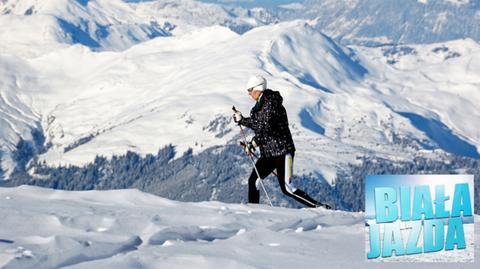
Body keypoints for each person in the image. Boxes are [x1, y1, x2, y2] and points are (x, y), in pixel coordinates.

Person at [233, 75, 331, 209]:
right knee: (253, 180)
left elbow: (266, 127)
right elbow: (260, 128)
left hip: (283, 152)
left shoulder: (272, 104)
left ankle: (319, 207)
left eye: (250, 90)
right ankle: (253, 213)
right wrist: (246, 130)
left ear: (258, 88)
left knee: (287, 188)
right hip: (268, 153)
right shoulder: (258, 107)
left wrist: (250, 135)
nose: (249, 93)